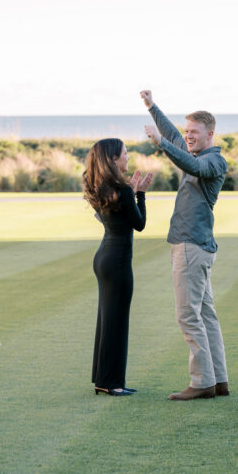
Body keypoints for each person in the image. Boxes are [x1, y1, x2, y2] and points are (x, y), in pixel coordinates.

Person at [141, 90, 230, 400]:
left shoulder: (213, 161)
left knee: (187, 315)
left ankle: (202, 382)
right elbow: (175, 136)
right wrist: (153, 107)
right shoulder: (194, 153)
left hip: (192, 246)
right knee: (205, 315)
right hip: (194, 245)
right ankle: (218, 381)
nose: (189, 137)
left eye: (195, 132)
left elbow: (192, 167)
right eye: (188, 131)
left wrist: (160, 144)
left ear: (210, 134)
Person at [82, 138, 153, 396]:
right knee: (116, 322)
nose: (128, 157)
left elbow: (110, 217)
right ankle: (112, 383)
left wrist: (132, 194)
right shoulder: (120, 189)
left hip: (104, 258)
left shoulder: (100, 186)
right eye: (125, 153)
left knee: (107, 320)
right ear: (113, 159)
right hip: (118, 260)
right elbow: (139, 223)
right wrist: (141, 193)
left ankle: (105, 380)